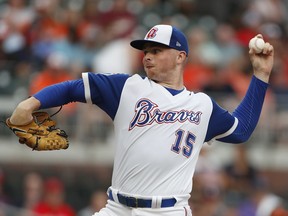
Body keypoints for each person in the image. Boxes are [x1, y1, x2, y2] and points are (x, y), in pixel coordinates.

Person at [8, 24, 274, 216]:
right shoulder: (127, 87)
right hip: (117, 208)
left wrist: (260, 76)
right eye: (146, 50)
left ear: (181, 56)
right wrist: (30, 103)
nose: (148, 55)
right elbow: (72, 88)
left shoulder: (202, 105)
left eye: (157, 50)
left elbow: (241, 130)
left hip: (167, 211)